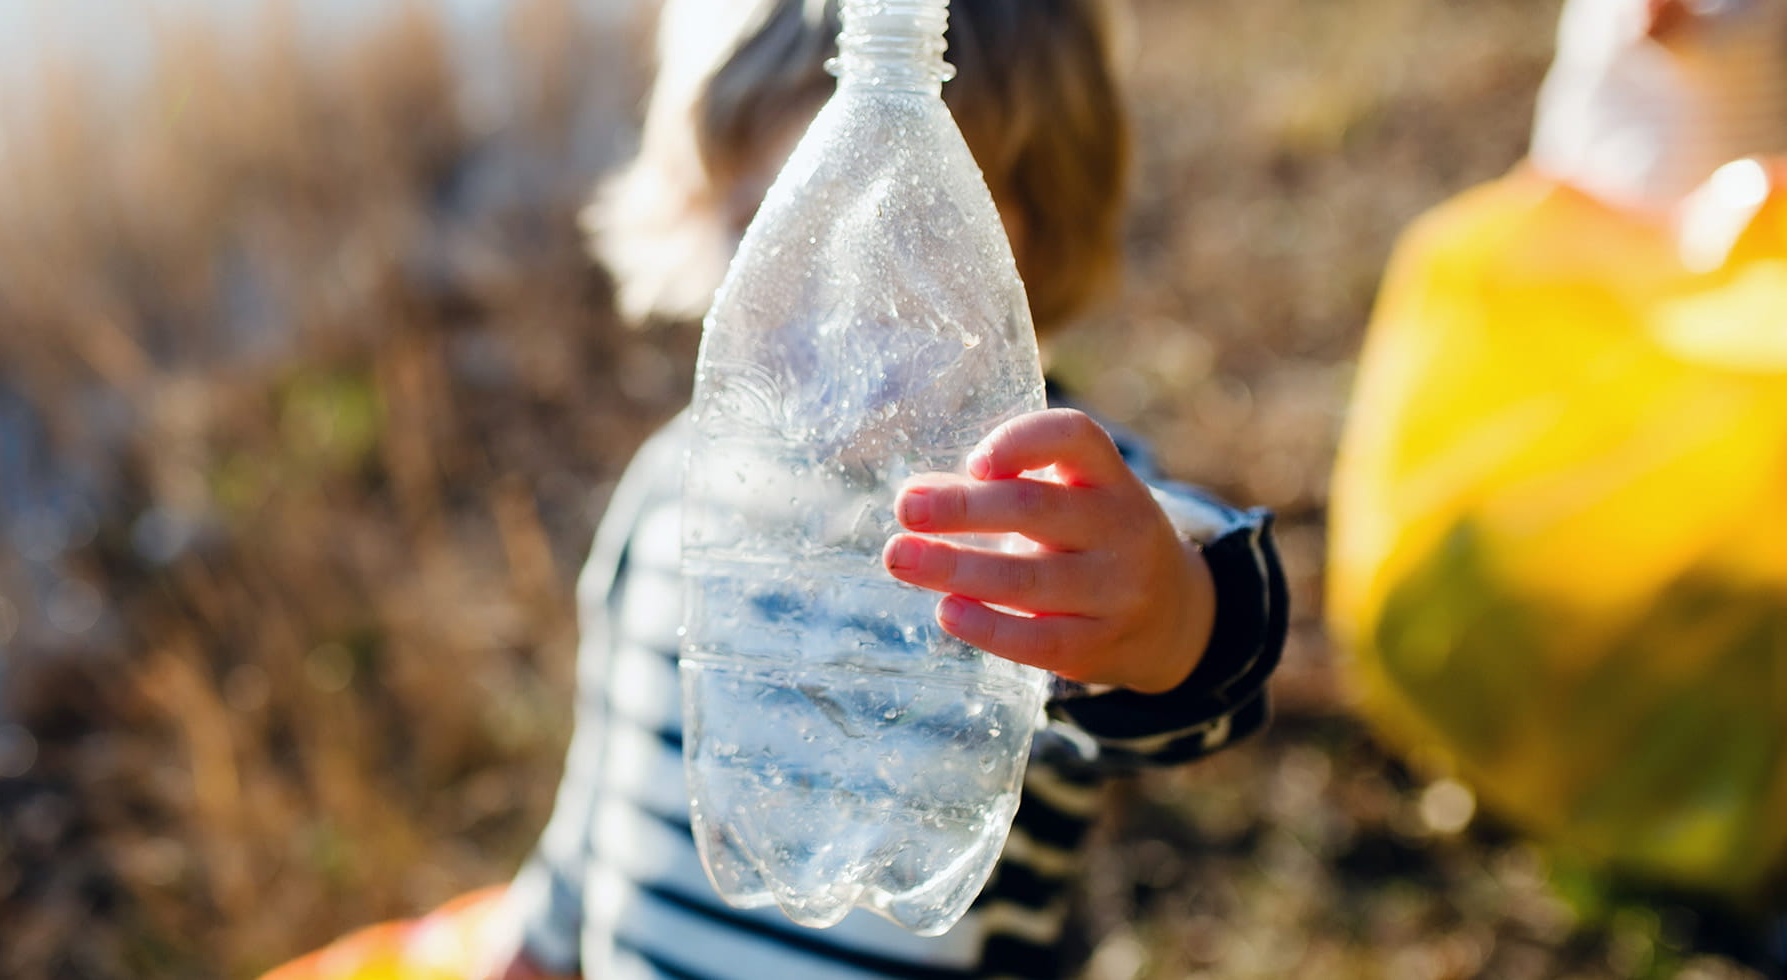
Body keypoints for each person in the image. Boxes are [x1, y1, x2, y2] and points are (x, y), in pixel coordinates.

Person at [264, 2, 1287, 978]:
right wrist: (546, 925)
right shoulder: (674, 483)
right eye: (778, 227)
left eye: (916, 248)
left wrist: (1169, 612)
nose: (843, 314)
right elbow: (607, 775)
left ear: (1024, 246)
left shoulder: (1038, 511)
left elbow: (1195, 680)